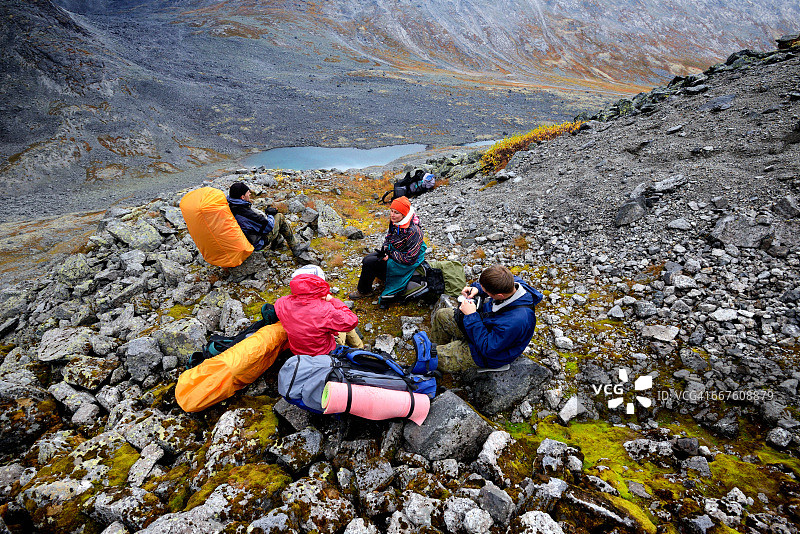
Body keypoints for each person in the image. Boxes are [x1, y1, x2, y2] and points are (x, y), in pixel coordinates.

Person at [425, 264, 543, 373]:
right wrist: (477, 289)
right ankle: (434, 347)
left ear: (500, 296)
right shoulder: (511, 283)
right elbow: (488, 286)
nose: (485, 293)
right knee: (441, 315)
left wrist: (471, 316)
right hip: (485, 326)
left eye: (486, 292)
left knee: (429, 356)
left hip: (489, 353)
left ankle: (431, 365)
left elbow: (488, 348)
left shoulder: (516, 321)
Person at [348, 196, 426, 304]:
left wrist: (390, 255)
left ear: (404, 214)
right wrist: (385, 250)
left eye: (396, 213)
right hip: (395, 253)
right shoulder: (396, 222)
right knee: (367, 259)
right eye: (391, 211)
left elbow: (410, 259)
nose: (392, 215)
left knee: (370, 262)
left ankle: (364, 291)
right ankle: (371, 285)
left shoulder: (414, 231)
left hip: (405, 263)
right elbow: (388, 238)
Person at [275, 265, 363, 356]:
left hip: (298, 353)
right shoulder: (325, 310)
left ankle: (359, 349)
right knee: (344, 322)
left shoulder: (281, 303)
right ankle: (360, 351)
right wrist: (332, 300)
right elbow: (352, 321)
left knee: (337, 320)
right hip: (324, 354)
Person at [227, 181, 307, 256]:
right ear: (242, 197)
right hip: (256, 244)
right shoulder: (246, 214)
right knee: (279, 217)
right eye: (248, 193)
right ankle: (295, 247)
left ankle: (278, 242)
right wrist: (270, 214)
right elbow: (268, 227)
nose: (250, 194)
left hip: (243, 241)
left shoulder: (231, 206)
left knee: (272, 220)